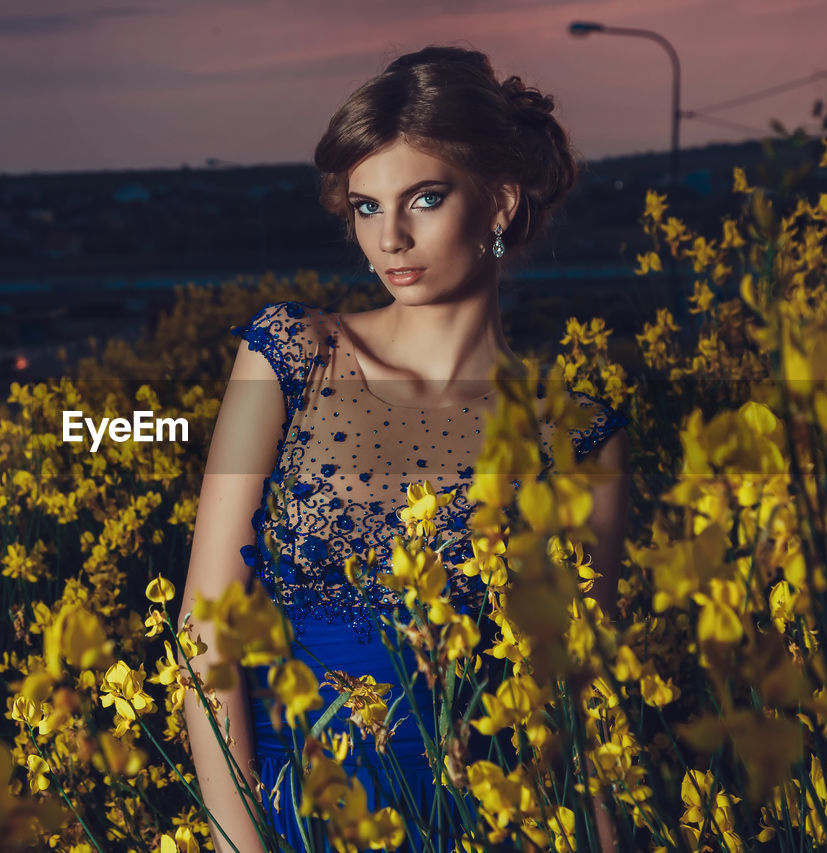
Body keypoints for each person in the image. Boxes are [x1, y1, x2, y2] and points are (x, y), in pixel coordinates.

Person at [177, 44, 630, 853]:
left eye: (422, 198)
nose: (388, 237)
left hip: (484, 827)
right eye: (364, 206)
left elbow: (575, 710)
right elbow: (203, 633)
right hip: (289, 823)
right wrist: (237, 843)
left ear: (498, 201)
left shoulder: (577, 436)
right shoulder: (291, 357)